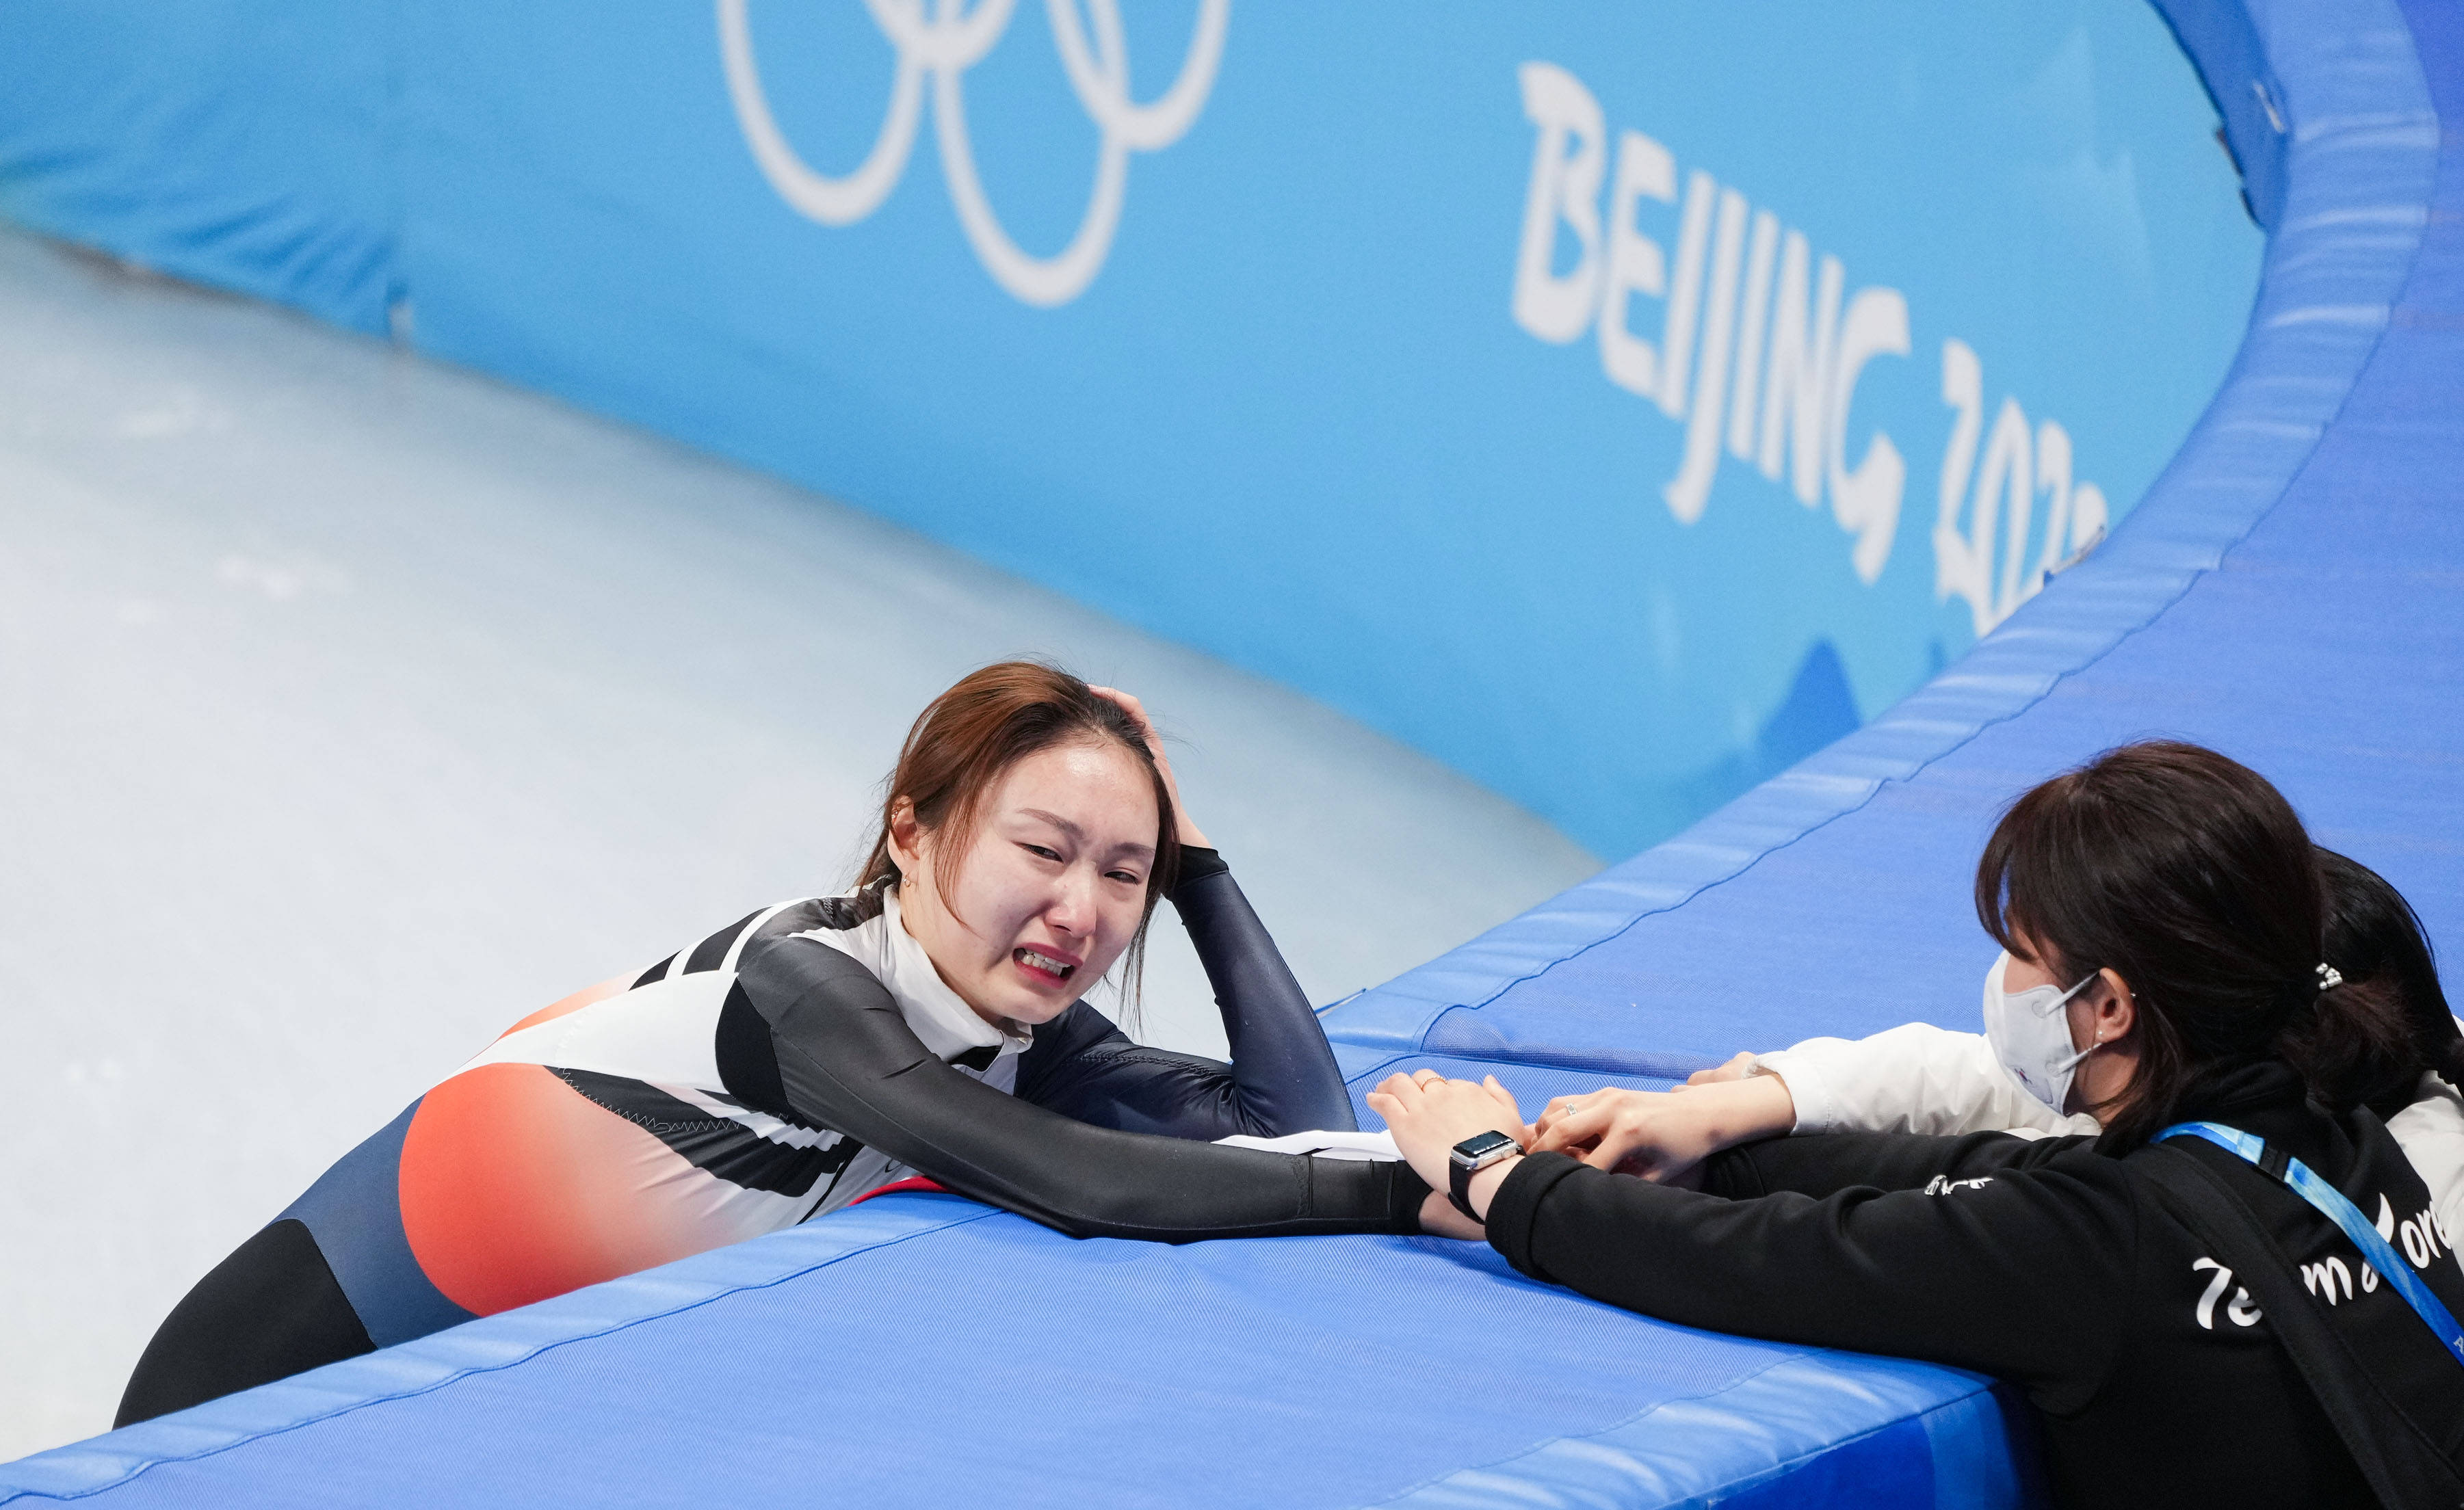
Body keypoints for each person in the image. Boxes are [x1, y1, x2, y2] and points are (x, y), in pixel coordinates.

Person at [118, 663, 1425, 1426]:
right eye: (1041, 850)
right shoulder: (809, 993)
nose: (1081, 910)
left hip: (463, 1404)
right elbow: (1080, 1184)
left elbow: (1285, 1113)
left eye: (1121, 874)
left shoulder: (1017, 1023)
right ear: (909, 835)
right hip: (267, 1383)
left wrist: (1194, 866)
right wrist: (1413, 1189)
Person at [1374, 741, 2464, 1509]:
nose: (1999, 982)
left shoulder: (2095, 1245)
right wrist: (1729, 1142)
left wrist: (1491, 1173)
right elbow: (1982, 1168)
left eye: (2021, 956)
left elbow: (1755, 1266)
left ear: (2109, 1006)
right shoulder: (2347, 1144)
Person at [1528, 849, 2464, 1247]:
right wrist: (1752, 1101)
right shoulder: (2336, 1080)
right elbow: (1970, 1082)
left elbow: (1800, 1261)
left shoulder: (2376, 1197)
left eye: (2024, 952)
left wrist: (1512, 1192)